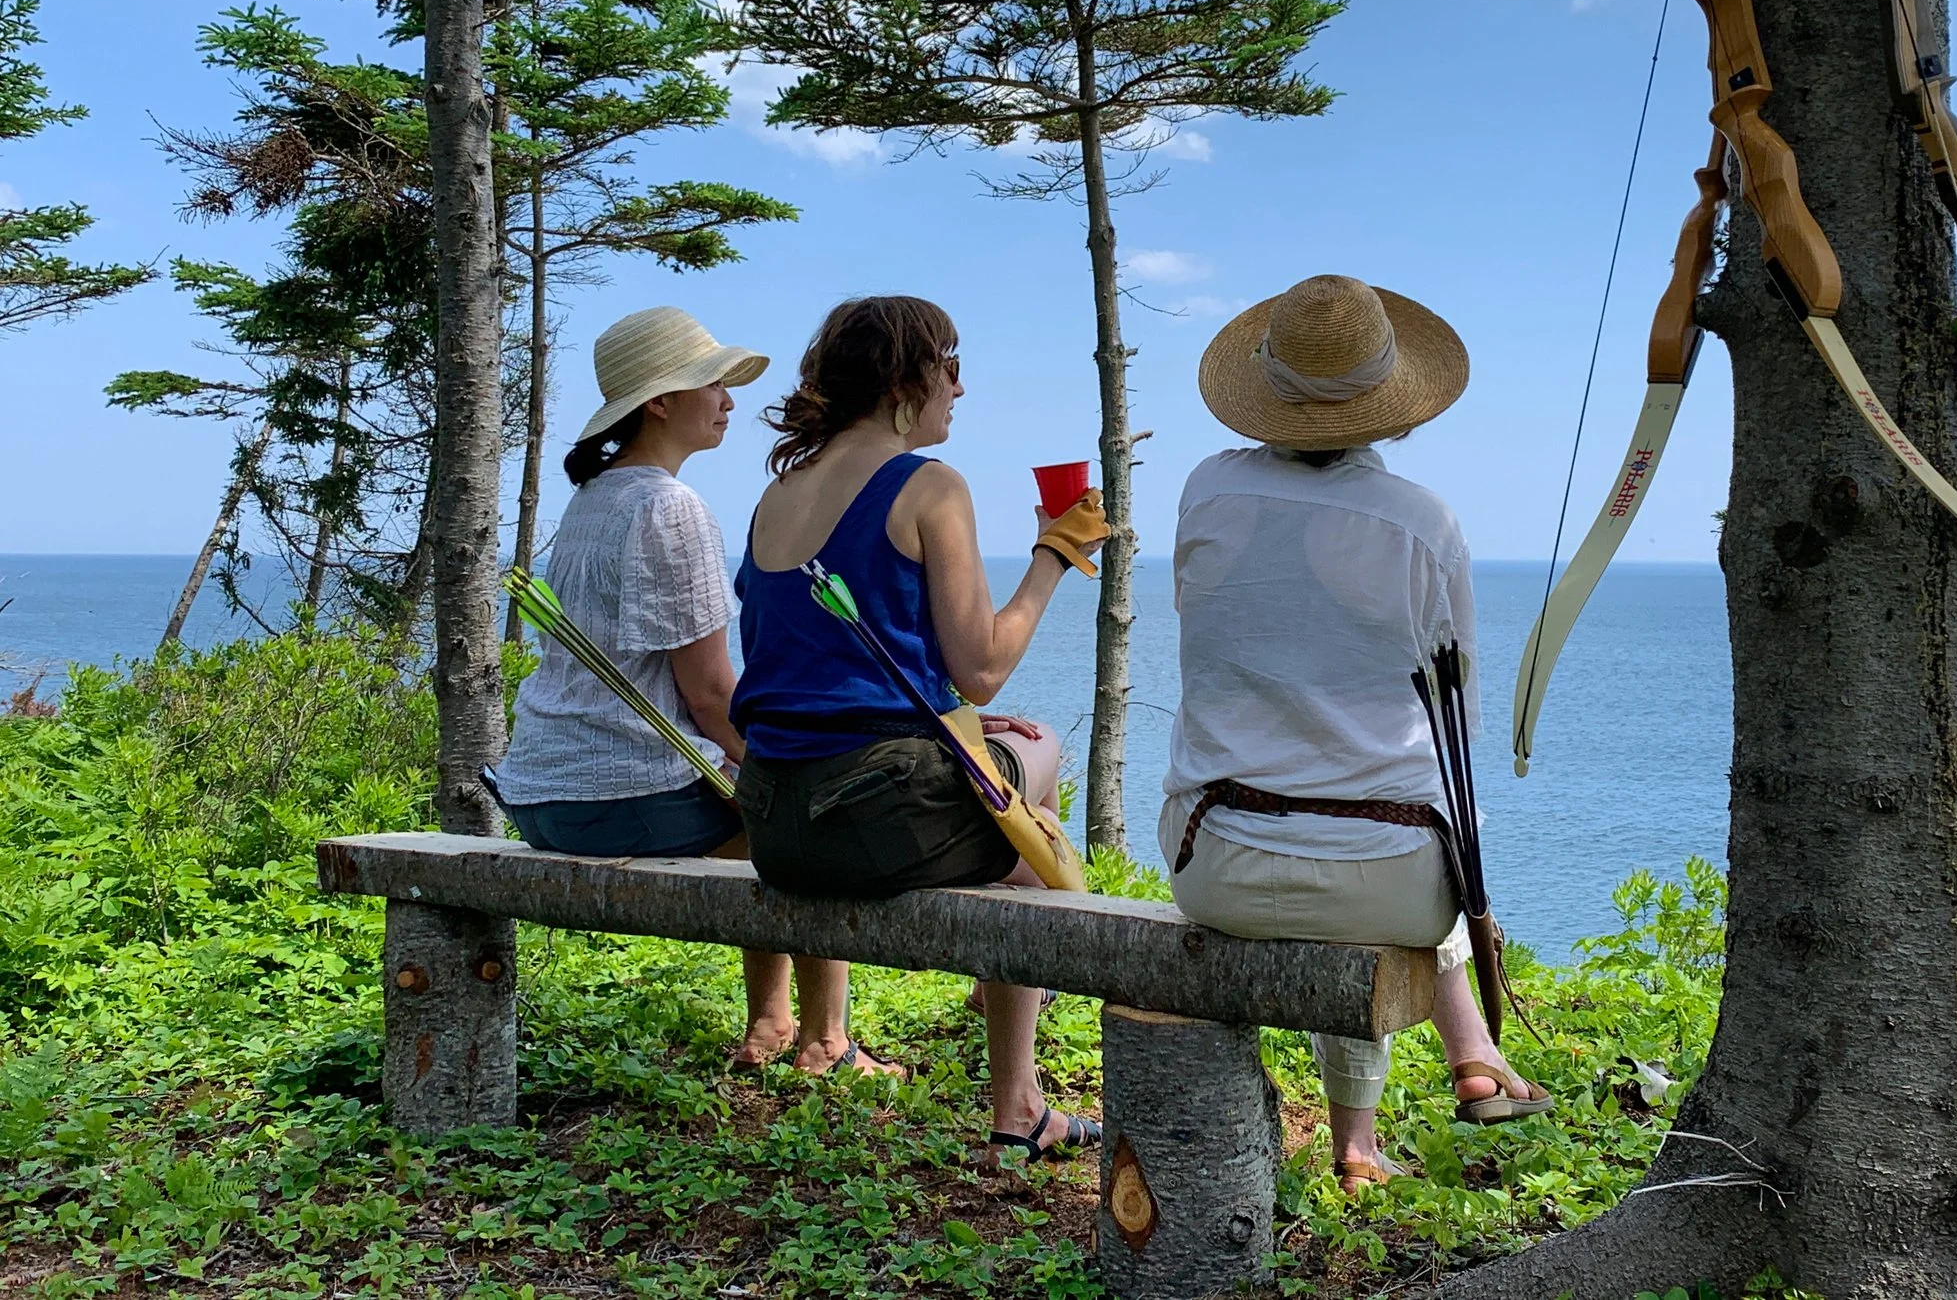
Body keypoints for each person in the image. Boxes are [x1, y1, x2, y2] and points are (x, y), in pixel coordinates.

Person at [1161, 272, 1552, 1196]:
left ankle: (1379, 1123)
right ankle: (1419, 1095)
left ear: (1263, 389)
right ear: (1394, 406)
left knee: (1341, 808)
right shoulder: (1424, 522)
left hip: (1217, 864)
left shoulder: (1205, 491)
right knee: (1398, 820)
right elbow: (1456, 706)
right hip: (1393, 886)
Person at [728, 294, 1111, 1162]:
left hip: (778, 827)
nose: (960, 387)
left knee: (1018, 774)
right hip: (870, 823)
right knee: (1036, 792)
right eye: (949, 363)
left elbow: (813, 674)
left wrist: (959, 722)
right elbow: (981, 666)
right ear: (905, 379)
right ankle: (1017, 1092)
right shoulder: (930, 486)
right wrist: (1054, 552)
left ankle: (1008, 989)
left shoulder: (774, 496)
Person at [494, 306, 899, 1080]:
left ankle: (773, 1019)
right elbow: (713, 695)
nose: (729, 399)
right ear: (660, 401)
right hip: (621, 792)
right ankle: (826, 1041)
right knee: (801, 823)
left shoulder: (593, 501)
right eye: (712, 382)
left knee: (756, 800)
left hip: (543, 790)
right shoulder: (670, 507)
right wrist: (798, 764)